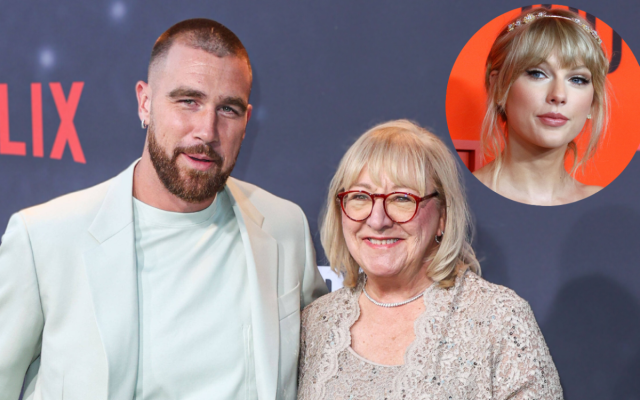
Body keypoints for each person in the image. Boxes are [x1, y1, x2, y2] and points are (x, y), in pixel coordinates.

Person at [0, 19, 327, 400]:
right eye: (188, 100)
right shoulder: (44, 238)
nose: (207, 130)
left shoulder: (285, 228)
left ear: (246, 121)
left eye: (228, 109)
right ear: (145, 102)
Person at [298, 120, 562, 399]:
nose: (377, 220)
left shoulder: (499, 319)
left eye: (402, 198)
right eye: (361, 196)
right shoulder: (315, 322)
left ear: (443, 217)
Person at [473, 8, 610, 206]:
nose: (559, 95)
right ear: (499, 88)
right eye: (538, 74)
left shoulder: (607, 206)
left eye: (578, 79)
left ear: (592, 102)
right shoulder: (456, 200)